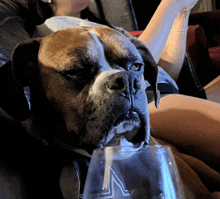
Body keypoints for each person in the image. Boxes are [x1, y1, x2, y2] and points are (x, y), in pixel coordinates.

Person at [0, 0, 219, 166]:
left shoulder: (105, 28)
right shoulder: (52, 35)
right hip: (151, 104)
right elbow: (139, 80)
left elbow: (162, 72)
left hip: (158, 96)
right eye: (77, 68)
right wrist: (169, 7)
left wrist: (182, 14)